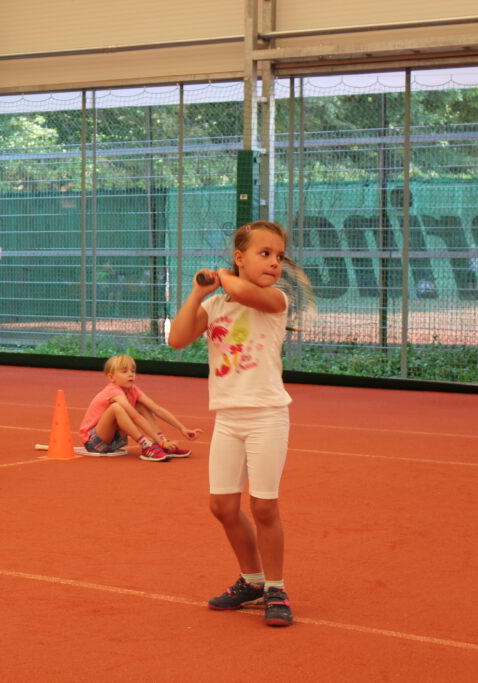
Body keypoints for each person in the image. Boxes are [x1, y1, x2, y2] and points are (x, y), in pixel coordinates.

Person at [167, 220, 308, 627]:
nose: (274, 263)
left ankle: (276, 588)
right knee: (223, 507)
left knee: (264, 507)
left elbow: (242, 290)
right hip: (228, 418)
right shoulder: (217, 304)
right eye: (264, 254)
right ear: (240, 256)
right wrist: (198, 292)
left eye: (279, 256)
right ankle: (252, 581)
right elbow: (177, 339)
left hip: (267, 416)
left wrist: (224, 277)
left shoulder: (275, 299)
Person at [78, 354, 200, 462]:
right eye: (124, 371)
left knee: (140, 405)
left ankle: (161, 443)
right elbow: (135, 417)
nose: (131, 374)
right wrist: (159, 441)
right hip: (94, 442)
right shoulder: (113, 391)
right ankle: (146, 445)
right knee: (116, 407)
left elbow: (157, 409)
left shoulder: (132, 389)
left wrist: (182, 428)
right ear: (111, 378)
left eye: (133, 371)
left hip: (115, 440)